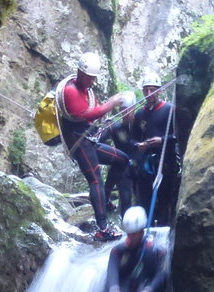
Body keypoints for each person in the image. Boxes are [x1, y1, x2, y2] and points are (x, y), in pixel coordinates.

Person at [55, 51, 130, 241]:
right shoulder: (70, 91)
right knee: (95, 180)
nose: (92, 82)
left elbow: (94, 111)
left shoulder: (86, 89)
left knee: (122, 160)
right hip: (80, 144)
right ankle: (103, 228)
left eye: (93, 79)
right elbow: (88, 114)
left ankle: (104, 198)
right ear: (81, 74)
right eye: (90, 78)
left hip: (89, 140)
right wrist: (111, 103)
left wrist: (111, 109)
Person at [131, 72, 182, 227]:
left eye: (152, 90)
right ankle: (147, 230)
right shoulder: (140, 114)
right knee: (145, 198)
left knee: (165, 198)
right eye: (145, 90)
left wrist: (162, 140)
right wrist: (138, 145)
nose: (148, 94)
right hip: (146, 165)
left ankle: (164, 227)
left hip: (166, 162)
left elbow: (179, 135)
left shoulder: (169, 110)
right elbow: (132, 138)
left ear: (159, 91)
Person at [97, 90, 140, 216]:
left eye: (127, 109)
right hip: (124, 168)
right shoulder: (114, 126)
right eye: (122, 109)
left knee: (141, 196)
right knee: (125, 199)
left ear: (133, 108)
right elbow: (97, 141)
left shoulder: (140, 122)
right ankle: (126, 228)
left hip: (140, 165)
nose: (125, 113)